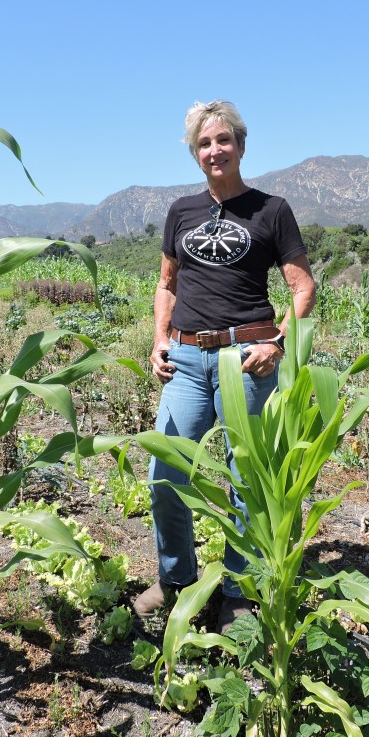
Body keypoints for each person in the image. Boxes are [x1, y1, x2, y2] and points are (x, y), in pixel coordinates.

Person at [133, 100, 316, 632]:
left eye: (223, 140)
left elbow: (302, 287)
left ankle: (239, 590)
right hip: (187, 360)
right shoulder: (181, 211)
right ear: (195, 153)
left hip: (248, 358)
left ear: (240, 145)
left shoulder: (271, 210)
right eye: (204, 143)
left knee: (246, 479)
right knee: (165, 473)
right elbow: (166, 283)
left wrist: (278, 342)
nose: (215, 150)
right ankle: (175, 579)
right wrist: (159, 339)